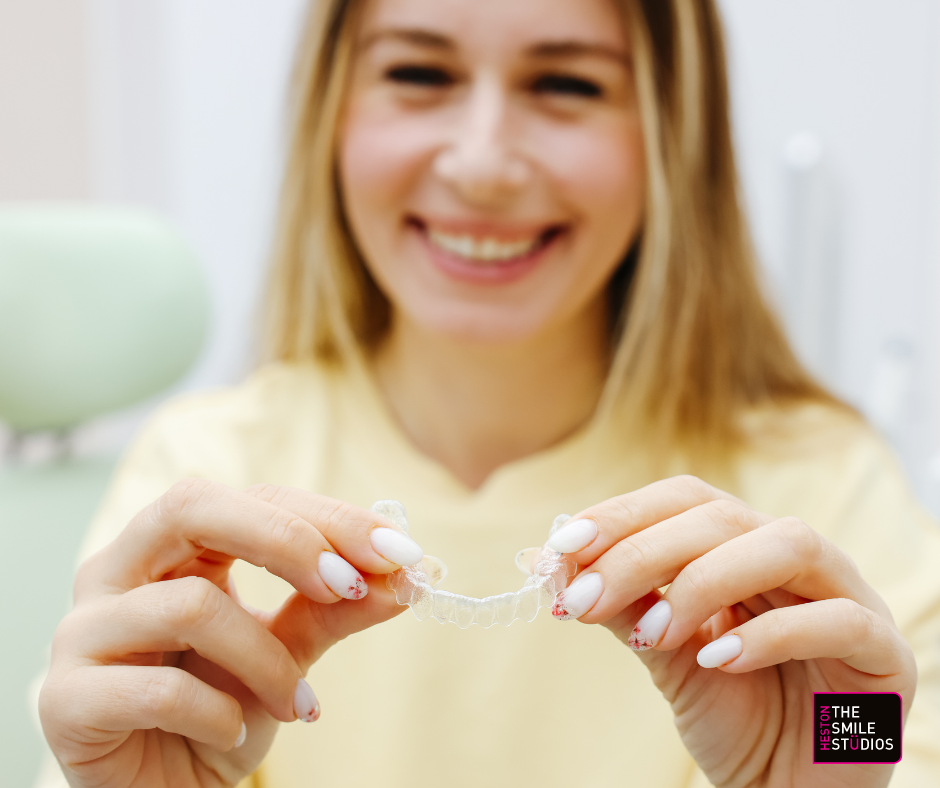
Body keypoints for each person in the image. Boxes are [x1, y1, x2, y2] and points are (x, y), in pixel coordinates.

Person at [36, 0, 940, 786]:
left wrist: (826, 777)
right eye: (420, 71)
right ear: (331, 109)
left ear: (672, 125)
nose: (481, 163)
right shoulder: (205, 480)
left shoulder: (822, 492)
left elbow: (881, 751)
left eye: (567, 86)